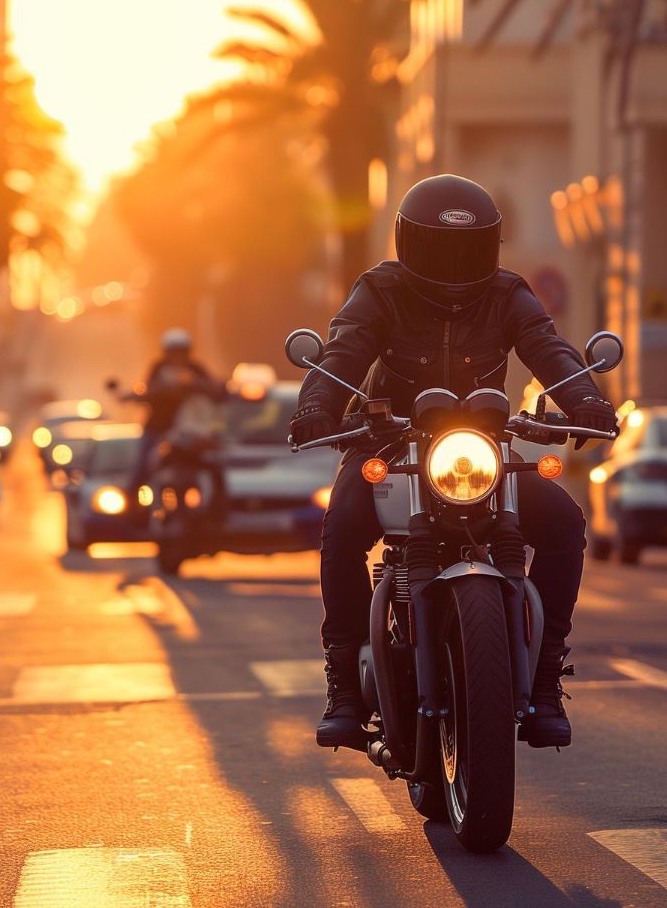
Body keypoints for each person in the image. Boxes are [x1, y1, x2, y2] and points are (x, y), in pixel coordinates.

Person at [289, 175, 619, 751]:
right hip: (386, 443)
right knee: (342, 527)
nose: (454, 262)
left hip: (480, 447)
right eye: (439, 248)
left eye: (467, 249)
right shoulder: (380, 290)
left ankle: (544, 682)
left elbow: (548, 346)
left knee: (563, 522)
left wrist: (585, 400)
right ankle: (343, 686)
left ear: (490, 246)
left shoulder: (507, 292)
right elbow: (343, 348)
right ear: (409, 245)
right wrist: (318, 406)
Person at [126, 329, 224, 503]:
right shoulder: (158, 369)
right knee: (143, 465)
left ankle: (219, 505)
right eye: (174, 351)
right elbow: (147, 390)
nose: (178, 356)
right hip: (159, 428)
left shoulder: (196, 369)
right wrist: (159, 392)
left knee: (218, 462)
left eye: (182, 351)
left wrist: (197, 385)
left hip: (190, 431)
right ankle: (132, 506)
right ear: (166, 352)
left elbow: (215, 389)